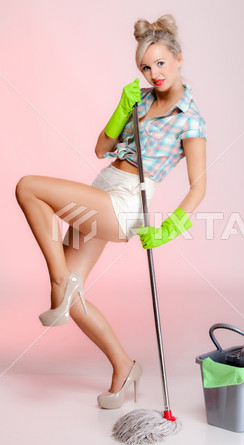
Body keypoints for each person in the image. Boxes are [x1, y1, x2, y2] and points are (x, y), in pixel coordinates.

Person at [15, 14, 207, 409]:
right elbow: (102, 149)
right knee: (71, 293)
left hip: (124, 203)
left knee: (28, 187)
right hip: (103, 188)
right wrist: (122, 109)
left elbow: (199, 187)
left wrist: (171, 227)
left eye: (160, 63)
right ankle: (124, 365)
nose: (153, 73)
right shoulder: (141, 101)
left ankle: (58, 281)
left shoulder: (191, 120)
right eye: (145, 66)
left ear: (178, 59)